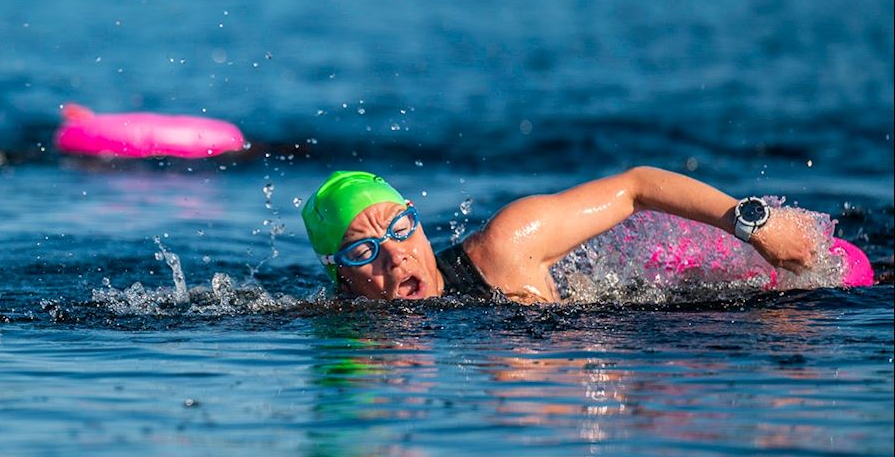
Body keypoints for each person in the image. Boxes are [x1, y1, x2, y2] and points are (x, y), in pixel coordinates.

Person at [301, 168, 821, 303]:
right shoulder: (349, 333)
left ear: (417, 218)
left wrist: (754, 223)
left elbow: (635, 187)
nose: (395, 254)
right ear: (341, 276)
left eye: (401, 227)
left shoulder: (507, 247)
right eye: (364, 250)